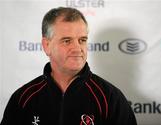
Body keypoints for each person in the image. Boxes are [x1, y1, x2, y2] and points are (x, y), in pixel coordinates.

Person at [1, 7, 137, 125]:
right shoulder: (23, 98)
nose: (78, 48)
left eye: (82, 40)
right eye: (67, 41)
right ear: (46, 45)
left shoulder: (110, 99)